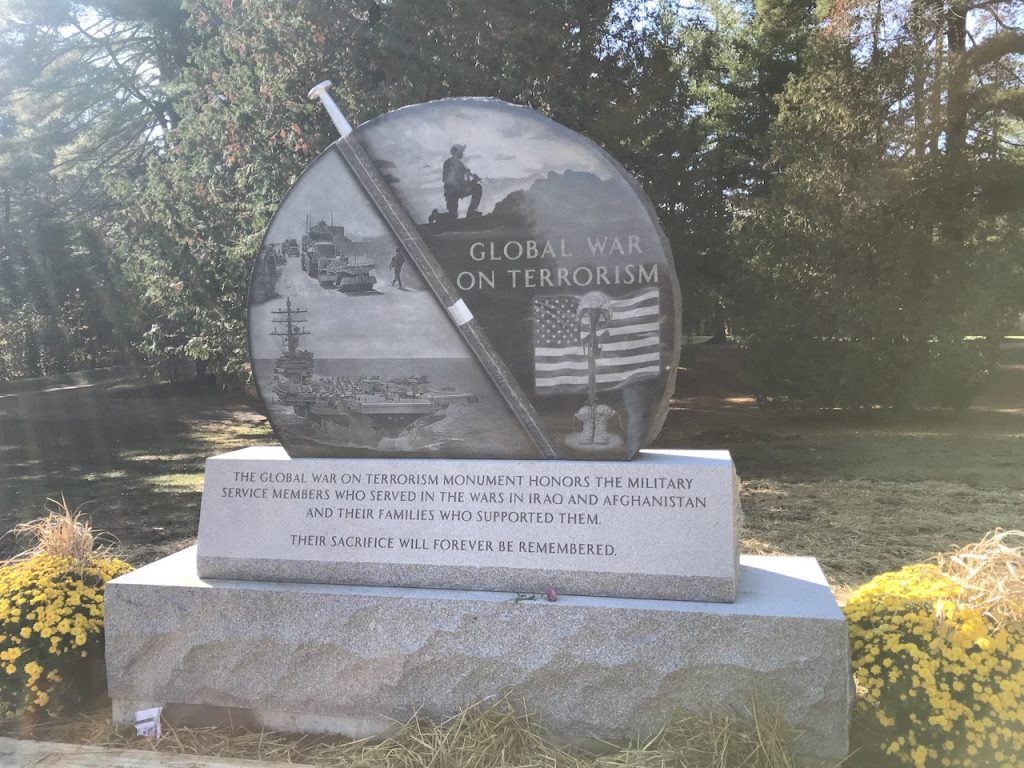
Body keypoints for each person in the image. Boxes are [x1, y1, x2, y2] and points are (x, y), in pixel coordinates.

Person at [441, 144, 482, 220]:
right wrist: (470, 182)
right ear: (456, 152)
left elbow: (466, 174)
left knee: (477, 188)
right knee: (453, 216)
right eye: (461, 152)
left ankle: (471, 212)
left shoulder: (459, 164)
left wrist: (471, 178)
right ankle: (437, 216)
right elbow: (446, 180)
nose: (462, 154)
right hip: (451, 193)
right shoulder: (449, 163)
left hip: (458, 190)